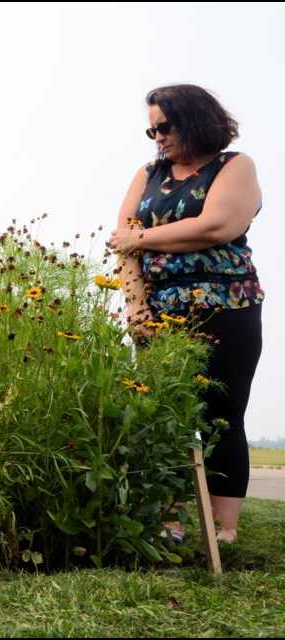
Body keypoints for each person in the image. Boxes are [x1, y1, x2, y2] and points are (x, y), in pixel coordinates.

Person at [107, 83, 264, 544]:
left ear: (194, 118)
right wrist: (136, 307)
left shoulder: (235, 166)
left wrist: (141, 238)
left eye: (165, 126)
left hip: (227, 307)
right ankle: (168, 523)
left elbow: (218, 225)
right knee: (162, 414)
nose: (157, 136)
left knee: (223, 414)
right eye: (151, 129)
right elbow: (123, 240)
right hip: (158, 314)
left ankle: (223, 531)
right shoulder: (148, 173)